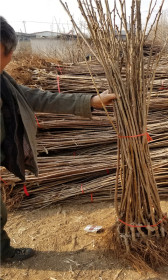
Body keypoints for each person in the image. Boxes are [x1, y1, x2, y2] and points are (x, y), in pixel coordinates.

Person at [0, 16, 115, 262]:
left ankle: (1, 251)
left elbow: (36, 97)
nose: (9, 57)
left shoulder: (3, 81)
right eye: (6, 52)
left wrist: (90, 101)